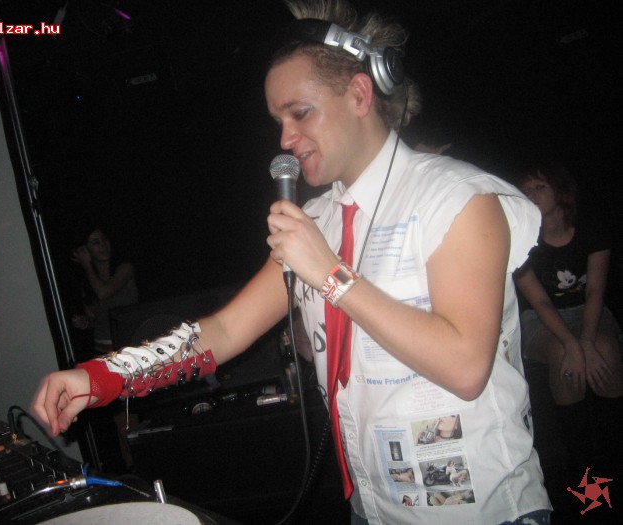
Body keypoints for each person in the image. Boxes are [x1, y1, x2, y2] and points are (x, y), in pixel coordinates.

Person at [32, 1, 550, 523]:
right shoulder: (318, 221)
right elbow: (224, 331)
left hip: (486, 512)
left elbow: (465, 367)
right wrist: (103, 377)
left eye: (300, 113)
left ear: (359, 95)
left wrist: (329, 275)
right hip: (376, 510)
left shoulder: (457, 198)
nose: (284, 140)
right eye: (278, 121)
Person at [513, 160, 623, 468]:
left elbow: (595, 291)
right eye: (526, 190)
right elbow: (540, 302)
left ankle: (613, 451)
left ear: (560, 191)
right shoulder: (520, 237)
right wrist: (573, 344)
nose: (532, 195)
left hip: (588, 308)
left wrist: (586, 341)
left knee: (605, 349)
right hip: (540, 318)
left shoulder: (591, 229)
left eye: (539, 187)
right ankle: (583, 466)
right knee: (564, 356)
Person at [70, 225, 139, 355]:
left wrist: (87, 265)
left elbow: (103, 293)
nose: (103, 245)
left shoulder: (125, 269)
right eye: (96, 242)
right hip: (102, 349)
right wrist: (85, 322)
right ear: (85, 250)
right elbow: (95, 319)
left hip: (129, 345)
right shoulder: (87, 281)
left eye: (104, 239)